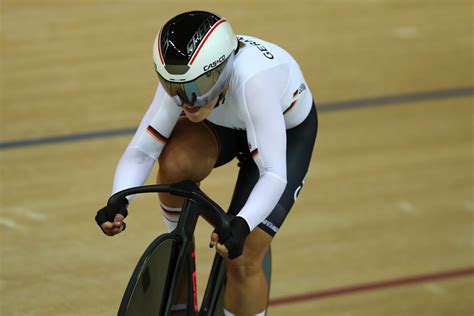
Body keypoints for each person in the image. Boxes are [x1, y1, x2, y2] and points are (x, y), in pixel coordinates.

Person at [95, 10, 318, 316]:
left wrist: (242, 225)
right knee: (175, 162)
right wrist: (120, 199)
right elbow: (142, 152)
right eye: (174, 88)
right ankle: (181, 249)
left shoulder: (254, 83)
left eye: (194, 89)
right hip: (225, 122)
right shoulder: (188, 83)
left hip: (283, 131)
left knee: (243, 260)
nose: (185, 100)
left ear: (223, 71)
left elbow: (273, 174)